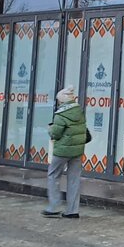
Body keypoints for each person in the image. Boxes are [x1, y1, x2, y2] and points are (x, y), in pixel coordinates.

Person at [43, 86, 88, 219]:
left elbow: (55, 134)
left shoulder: (60, 115)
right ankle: (72, 210)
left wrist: (50, 129)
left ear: (62, 101)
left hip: (62, 151)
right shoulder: (79, 112)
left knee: (53, 175)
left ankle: (54, 206)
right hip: (77, 150)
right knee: (74, 179)